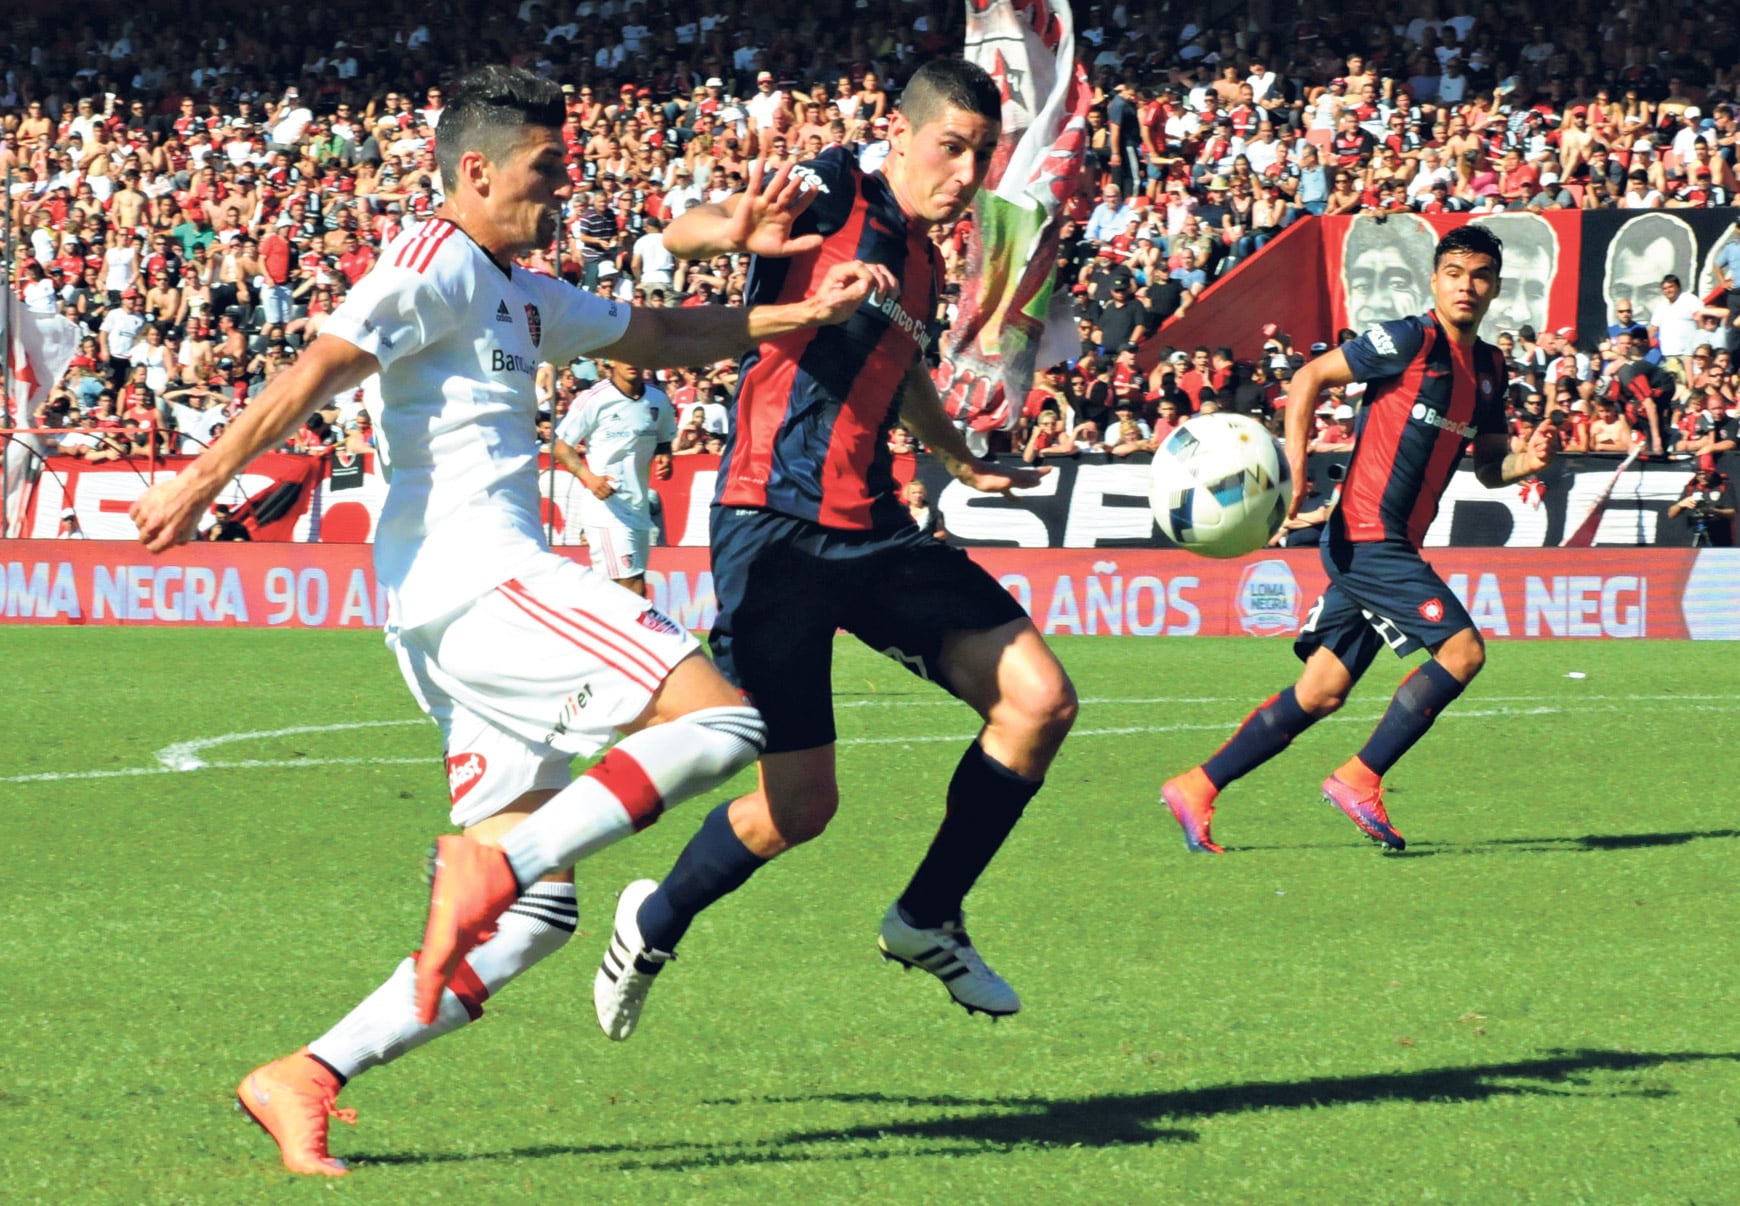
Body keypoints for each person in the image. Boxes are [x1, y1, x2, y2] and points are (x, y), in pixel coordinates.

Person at [128, 66, 889, 1178]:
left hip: (447, 614)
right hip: (482, 577)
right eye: (546, 167)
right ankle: (488, 868)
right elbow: (322, 364)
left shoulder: (520, 292)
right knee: (722, 725)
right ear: (476, 170)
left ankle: (308, 1074)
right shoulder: (432, 259)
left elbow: (659, 333)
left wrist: (802, 314)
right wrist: (201, 482)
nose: (564, 184)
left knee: (535, 919)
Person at [593, 59, 1077, 1042]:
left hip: (876, 530)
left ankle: (927, 917)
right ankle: (654, 920)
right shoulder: (834, 187)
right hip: (773, 527)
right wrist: (726, 233)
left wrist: (960, 458)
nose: (966, 174)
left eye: (982, 156)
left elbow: (902, 377)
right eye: (951, 148)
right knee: (799, 809)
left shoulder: (926, 263)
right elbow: (685, 229)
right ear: (899, 134)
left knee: (1039, 703)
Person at [1159, 225, 1557, 854]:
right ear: (1435, 280)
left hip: (1387, 545)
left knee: (1320, 691)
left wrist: (1527, 462)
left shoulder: (1488, 369)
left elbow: (1487, 466)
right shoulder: (1411, 338)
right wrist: (1295, 468)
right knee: (1462, 653)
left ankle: (1196, 786)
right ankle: (1358, 778)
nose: (1467, 286)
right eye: (1455, 273)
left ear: (1495, 287)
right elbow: (1310, 376)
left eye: (1480, 275)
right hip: (1368, 538)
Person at [552, 358, 676, 597]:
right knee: (633, 587)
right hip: (607, 509)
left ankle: (584, 620)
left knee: (616, 591)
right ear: (611, 362)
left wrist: (664, 458)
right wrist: (589, 478)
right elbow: (561, 447)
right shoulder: (593, 399)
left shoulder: (658, 399)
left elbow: (663, 441)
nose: (631, 361)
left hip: (638, 508)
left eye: (636, 355)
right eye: (624, 356)